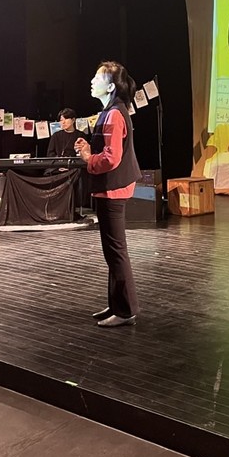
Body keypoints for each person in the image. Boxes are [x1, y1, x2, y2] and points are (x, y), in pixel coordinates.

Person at [75, 61, 140, 329]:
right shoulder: (110, 111)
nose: (92, 81)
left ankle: (125, 310)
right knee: (112, 251)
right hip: (111, 189)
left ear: (111, 87)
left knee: (115, 251)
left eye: (98, 77)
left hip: (114, 189)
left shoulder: (114, 114)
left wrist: (88, 158)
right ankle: (117, 304)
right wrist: (89, 148)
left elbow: (112, 158)